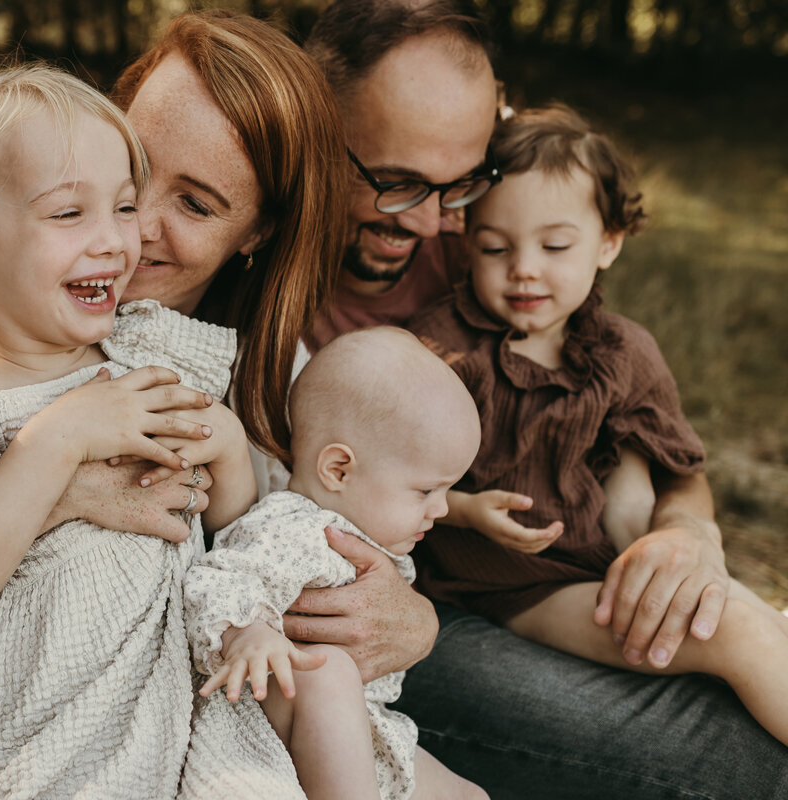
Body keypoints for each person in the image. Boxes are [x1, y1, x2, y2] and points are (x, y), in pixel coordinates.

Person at [0, 11, 365, 799]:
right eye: (133, 172)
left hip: (189, 726)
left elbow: (303, 561)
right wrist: (61, 488)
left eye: (195, 204)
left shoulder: (262, 366)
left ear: (258, 231)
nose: (130, 232)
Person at [298, 1, 788, 796]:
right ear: (314, 129)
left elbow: (667, 460)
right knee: (737, 757)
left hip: (576, 565)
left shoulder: (499, 229)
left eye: (457, 188)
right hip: (436, 605)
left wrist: (688, 531)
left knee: (739, 654)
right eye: (394, 184)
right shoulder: (265, 292)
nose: (434, 224)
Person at [409, 103, 788, 748]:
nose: (525, 267)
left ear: (608, 242)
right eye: (495, 247)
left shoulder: (621, 351)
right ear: (467, 238)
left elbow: (679, 473)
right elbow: (379, 481)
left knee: (755, 613)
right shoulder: (442, 353)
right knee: (739, 633)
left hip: (615, 557)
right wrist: (466, 511)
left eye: (555, 246)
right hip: (523, 586)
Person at [183, 327, 486, 800]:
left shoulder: (359, 533)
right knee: (328, 672)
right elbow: (218, 577)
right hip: (299, 722)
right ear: (338, 469)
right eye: (426, 491)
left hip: (364, 734)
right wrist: (247, 633)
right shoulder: (294, 529)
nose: (441, 510)